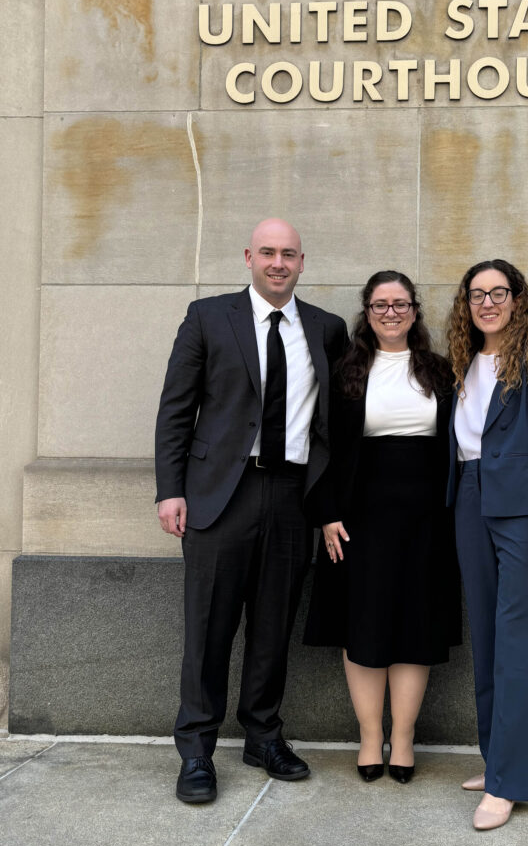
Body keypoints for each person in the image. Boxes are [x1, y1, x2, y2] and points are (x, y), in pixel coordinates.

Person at [155, 218, 348, 803]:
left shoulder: (326, 328)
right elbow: (175, 409)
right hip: (220, 495)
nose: (278, 263)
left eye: (288, 254)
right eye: (268, 252)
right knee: (209, 628)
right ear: (248, 257)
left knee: (272, 625)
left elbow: (334, 425)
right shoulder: (209, 317)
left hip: (291, 496)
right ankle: (196, 750)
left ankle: (264, 735)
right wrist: (171, 489)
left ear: (302, 262)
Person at [304, 271, 461, 784]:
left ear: (415, 311)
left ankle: (406, 737)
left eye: (400, 304)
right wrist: (327, 513)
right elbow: (321, 446)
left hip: (425, 519)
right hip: (357, 518)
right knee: (364, 625)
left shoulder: (441, 372)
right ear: (366, 312)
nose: (390, 312)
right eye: (379, 304)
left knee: (415, 625)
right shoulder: (344, 371)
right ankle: (371, 737)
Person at [446, 259, 528, 831]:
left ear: (518, 298)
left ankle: (510, 783)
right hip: (470, 500)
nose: (487, 302)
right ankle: (497, 760)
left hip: (522, 515)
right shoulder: (462, 360)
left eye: (498, 292)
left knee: (516, 643)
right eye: (476, 294)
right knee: (489, 638)